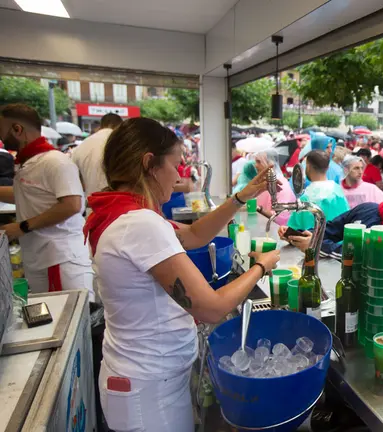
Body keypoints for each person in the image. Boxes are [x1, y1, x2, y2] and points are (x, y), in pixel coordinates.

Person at [85, 117, 280, 431]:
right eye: (175, 165)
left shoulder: (121, 211)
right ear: (150, 163)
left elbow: (194, 237)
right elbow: (211, 307)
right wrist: (261, 266)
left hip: (139, 376)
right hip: (149, 390)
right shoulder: (139, 224)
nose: (179, 175)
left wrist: (243, 196)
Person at [0, 104, 94, 298]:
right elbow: (27, 194)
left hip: (59, 259)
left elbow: (72, 204)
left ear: (17, 129)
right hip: (40, 258)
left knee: (70, 320)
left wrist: (22, 227)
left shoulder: (55, 162)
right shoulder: (28, 162)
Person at [285, 180, 383, 258]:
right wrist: (298, 235)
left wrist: (316, 245)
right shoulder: (366, 209)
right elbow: (331, 229)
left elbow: (361, 257)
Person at [287, 150, 350, 231]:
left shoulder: (306, 198)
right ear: (328, 167)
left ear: (308, 166)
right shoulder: (338, 192)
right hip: (335, 243)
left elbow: (293, 230)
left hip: (311, 243)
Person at [233, 151, 295, 225]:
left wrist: (258, 208)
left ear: (270, 164)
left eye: (259, 162)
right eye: (255, 162)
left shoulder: (281, 185)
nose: (255, 165)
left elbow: (280, 217)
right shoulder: (263, 182)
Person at [71, 113, 123, 197]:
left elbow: (76, 180)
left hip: (91, 203)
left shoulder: (82, 145)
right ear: (119, 126)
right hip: (118, 201)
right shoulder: (121, 142)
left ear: (101, 125)